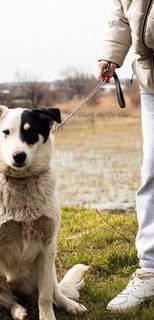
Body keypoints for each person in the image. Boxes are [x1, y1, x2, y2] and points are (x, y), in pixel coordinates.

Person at [97, 0, 154, 312]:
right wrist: (111, 55)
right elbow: (122, 13)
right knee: (153, 170)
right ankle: (150, 269)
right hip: (151, 78)